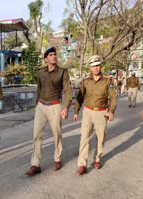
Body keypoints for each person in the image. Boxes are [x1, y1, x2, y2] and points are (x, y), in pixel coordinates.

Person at [25, 47, 72, 176]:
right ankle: (35, 164)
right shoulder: (40, 72)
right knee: (37, 135)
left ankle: (57, 159)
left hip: (55, 106)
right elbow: (39, 89)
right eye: (51, 55)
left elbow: (68, 91)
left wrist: (66, 107)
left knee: (57, 134)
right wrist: (36, 106)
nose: (54, 57)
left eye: (55, 55)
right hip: (41, 106)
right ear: (46, 58)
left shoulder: (62, 72)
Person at [73, 55, 116, 175]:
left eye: (97, 65)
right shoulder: (86, 81)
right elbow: (80, 97)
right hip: (87, 112)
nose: (96, 68)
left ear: (100, 66)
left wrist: (111, 111)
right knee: (84, 137)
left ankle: (97, 159)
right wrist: (76, 111)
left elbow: (112, 97)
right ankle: (82, 164)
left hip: (102, 112)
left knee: (100, 137)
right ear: (90, 68)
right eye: (93, 66)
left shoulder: (108, 81)